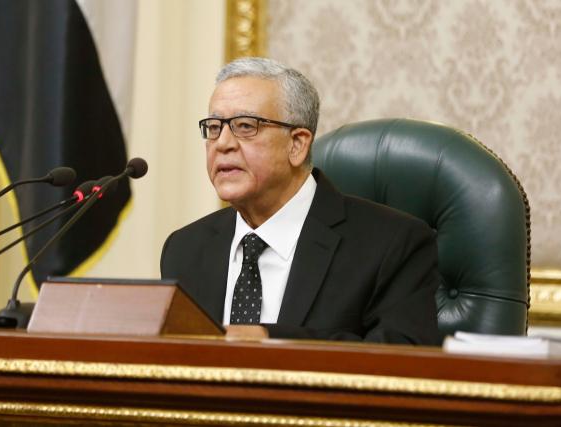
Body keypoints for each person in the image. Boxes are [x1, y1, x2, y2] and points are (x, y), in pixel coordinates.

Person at [161, 57, 440, 344]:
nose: (222, 143)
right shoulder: (184, 249)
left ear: (297, 144)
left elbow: (400, 356)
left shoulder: (392, 244)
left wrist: (267, 338)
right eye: (214, 127)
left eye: (245, 126)